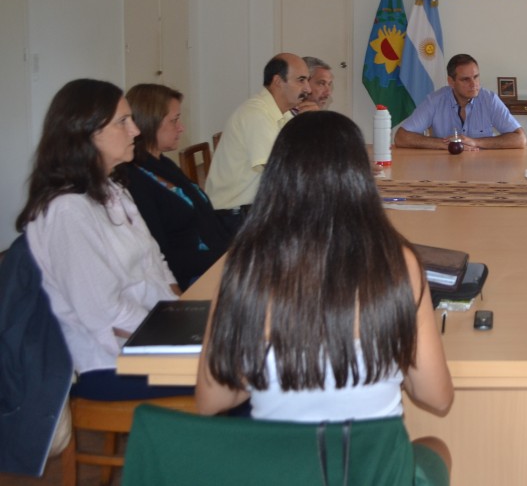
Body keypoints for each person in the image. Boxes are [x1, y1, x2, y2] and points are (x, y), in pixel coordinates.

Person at [195, 111, 453, 482]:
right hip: (371, 473)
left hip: (281, 473)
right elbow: (437, 398)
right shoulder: (400, 262)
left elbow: (211, 400)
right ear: (359, 178)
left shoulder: (246, 263)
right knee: (436, 449)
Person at [17, 79, 189, 401]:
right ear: (87, 133)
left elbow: (157, 263)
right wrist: (179, 335)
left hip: (149, 335)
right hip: (108, 363)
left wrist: (183, 314)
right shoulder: (68, 211)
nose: (136, 131)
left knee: (242, 349)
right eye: (123, 122)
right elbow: (105, 314)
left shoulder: (112, 190)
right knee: (235, 368)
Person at [123, 84, 232, 290]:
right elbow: (163, 255)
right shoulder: (135, 179)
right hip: (191, 277)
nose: (181, 127)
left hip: (213, 261)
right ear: (149, 123)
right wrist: (228, 258)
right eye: (174, 121)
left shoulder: (163, 164)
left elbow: (205, 218)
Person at [205, 53, 314, 230]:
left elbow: (304, 157)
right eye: (301, 80)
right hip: (234, 217)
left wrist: (314, 125)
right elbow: (280, 172)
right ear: (278, 81)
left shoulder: (283, 113)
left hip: (255, 209)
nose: (308, 89)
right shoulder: (256, 114)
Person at [394, 54, 527, 150]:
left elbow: (520, 139)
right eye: (465, 79)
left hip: (483, 169)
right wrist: (448, 144)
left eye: (476, 77)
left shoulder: (489, 99)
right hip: (444, 170)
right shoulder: (435, 100)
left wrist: (475, 142)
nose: (473, 84)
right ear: (451, 82)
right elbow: (401, 137)